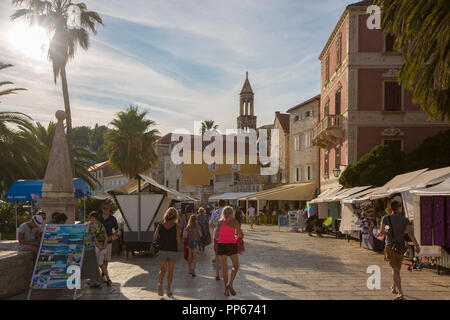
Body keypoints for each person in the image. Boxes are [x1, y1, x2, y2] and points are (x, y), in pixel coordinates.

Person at [378, 199, 420, 300]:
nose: (402, 208)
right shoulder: (405, 220)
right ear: (399, 208)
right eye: (401, 206)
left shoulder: (385, 218)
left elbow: (381, 233)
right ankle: (393, 287)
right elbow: (409, 233)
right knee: (397, 269)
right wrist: (417, 245)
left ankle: (400, 292)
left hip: (390, 247)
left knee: (395, 269)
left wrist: (388, 230)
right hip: (401, 248)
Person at [215, 206, 244, 296]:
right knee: (235, 266)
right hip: (231, 244)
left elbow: (216, 235)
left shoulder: (220, 222)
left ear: (223, 213)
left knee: (224, 268)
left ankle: (226, 291)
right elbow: (241, 235)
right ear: (232, 213)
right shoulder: (234, 222)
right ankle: (230, 283)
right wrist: (237, 234)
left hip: (222, 245)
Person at [153, 207, 181, 297]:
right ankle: (168, 289)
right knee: (170, 271)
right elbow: (178, 240)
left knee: (162, 270)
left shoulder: (160, 225)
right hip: (172, 250)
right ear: (175, 216)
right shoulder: (176, 226)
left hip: (163, 250)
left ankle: (160, 284)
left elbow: (154, 238)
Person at [97, 201, 119, 287]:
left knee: (105, 260)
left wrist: (111, 237)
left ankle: (103, 275)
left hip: (108, 242)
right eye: (104, 208)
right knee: (99, 260)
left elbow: (117, 230)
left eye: (107, 208)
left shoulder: (113, 218)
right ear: (101, 209)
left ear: (109, 209)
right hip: (99, 242)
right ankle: (103, 275)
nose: (105, 210)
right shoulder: (99, 218)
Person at [82, 212, 102, 288]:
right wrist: (98, 246)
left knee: (93, 265)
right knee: (93, 265)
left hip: (89, 248)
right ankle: (93, 281)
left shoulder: (90, 225)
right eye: (92, 218)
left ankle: (93, 280)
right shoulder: (90, 226)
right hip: (90, 248)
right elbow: (93, 238)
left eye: (94, 218)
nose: (93, 220)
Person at [90, 212, 108, 287]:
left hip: (96, 247)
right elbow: (106, 237)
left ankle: (95, 281)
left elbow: (93, 238)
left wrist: (98, 246)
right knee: (101, 264)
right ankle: (108, 278)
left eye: (91, 218)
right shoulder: (102, 226)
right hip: (102, 247)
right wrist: (104, 245)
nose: (90, 220)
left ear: (93, 218)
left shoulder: (92, 226)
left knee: (94, 264)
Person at [210, 199, 226, 280]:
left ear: (219, 204)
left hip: (216, 235)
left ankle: (217, 274)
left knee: (216, 254)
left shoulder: (214, 212)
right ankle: (224, 273)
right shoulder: (227, 213)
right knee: (224, 255)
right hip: (225, 236)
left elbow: (211, 223)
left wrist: (215, 230)